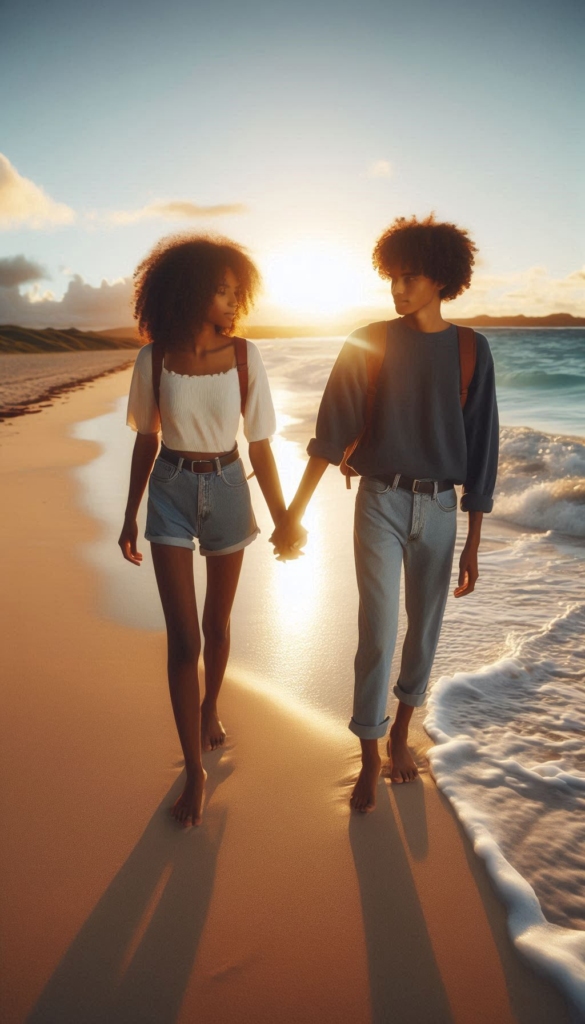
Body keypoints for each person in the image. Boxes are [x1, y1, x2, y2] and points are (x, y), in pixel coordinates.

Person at [271, 214, 499, 812]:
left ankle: (402, 729)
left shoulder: (473, 350)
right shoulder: (367, 340)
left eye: (411, 276)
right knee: (377, 628)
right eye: (391, 276)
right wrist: (293, 513)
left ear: (442, 278)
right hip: (379, 499)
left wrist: (475, 540)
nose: (398, 288)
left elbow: (482, 451)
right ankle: (371, 751)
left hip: (441, 509)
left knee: (424, 631)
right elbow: (329, 436)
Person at [119, 235, 305, 827]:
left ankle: (210, 707)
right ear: (191, 290)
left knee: (216, 623)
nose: (232, 302)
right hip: (170, 488)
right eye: (221, 291)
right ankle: (194, 772)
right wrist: (128, 514)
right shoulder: (153, 359)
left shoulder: (247, 356)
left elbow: (261, 446)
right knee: (183, 639)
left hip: (228, 488)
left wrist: (283, 517)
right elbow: (147, 437)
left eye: (236, 292)